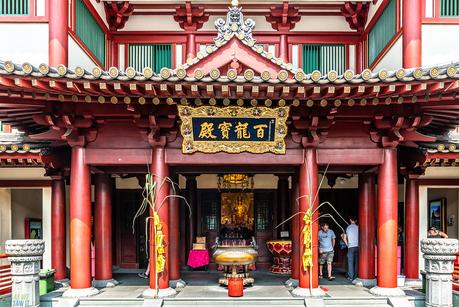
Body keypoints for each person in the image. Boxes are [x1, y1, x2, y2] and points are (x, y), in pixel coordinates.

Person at [341, 216, 358, 281]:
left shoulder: (348, 228)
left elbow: (345, 237)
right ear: (356, 221)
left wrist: (347, 244)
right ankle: (356, 276)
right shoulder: (358, 227)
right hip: (358, 246)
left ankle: (351, 277)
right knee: (357, 262)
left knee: (350, 262)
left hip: (351, 246)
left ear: (350, 220)